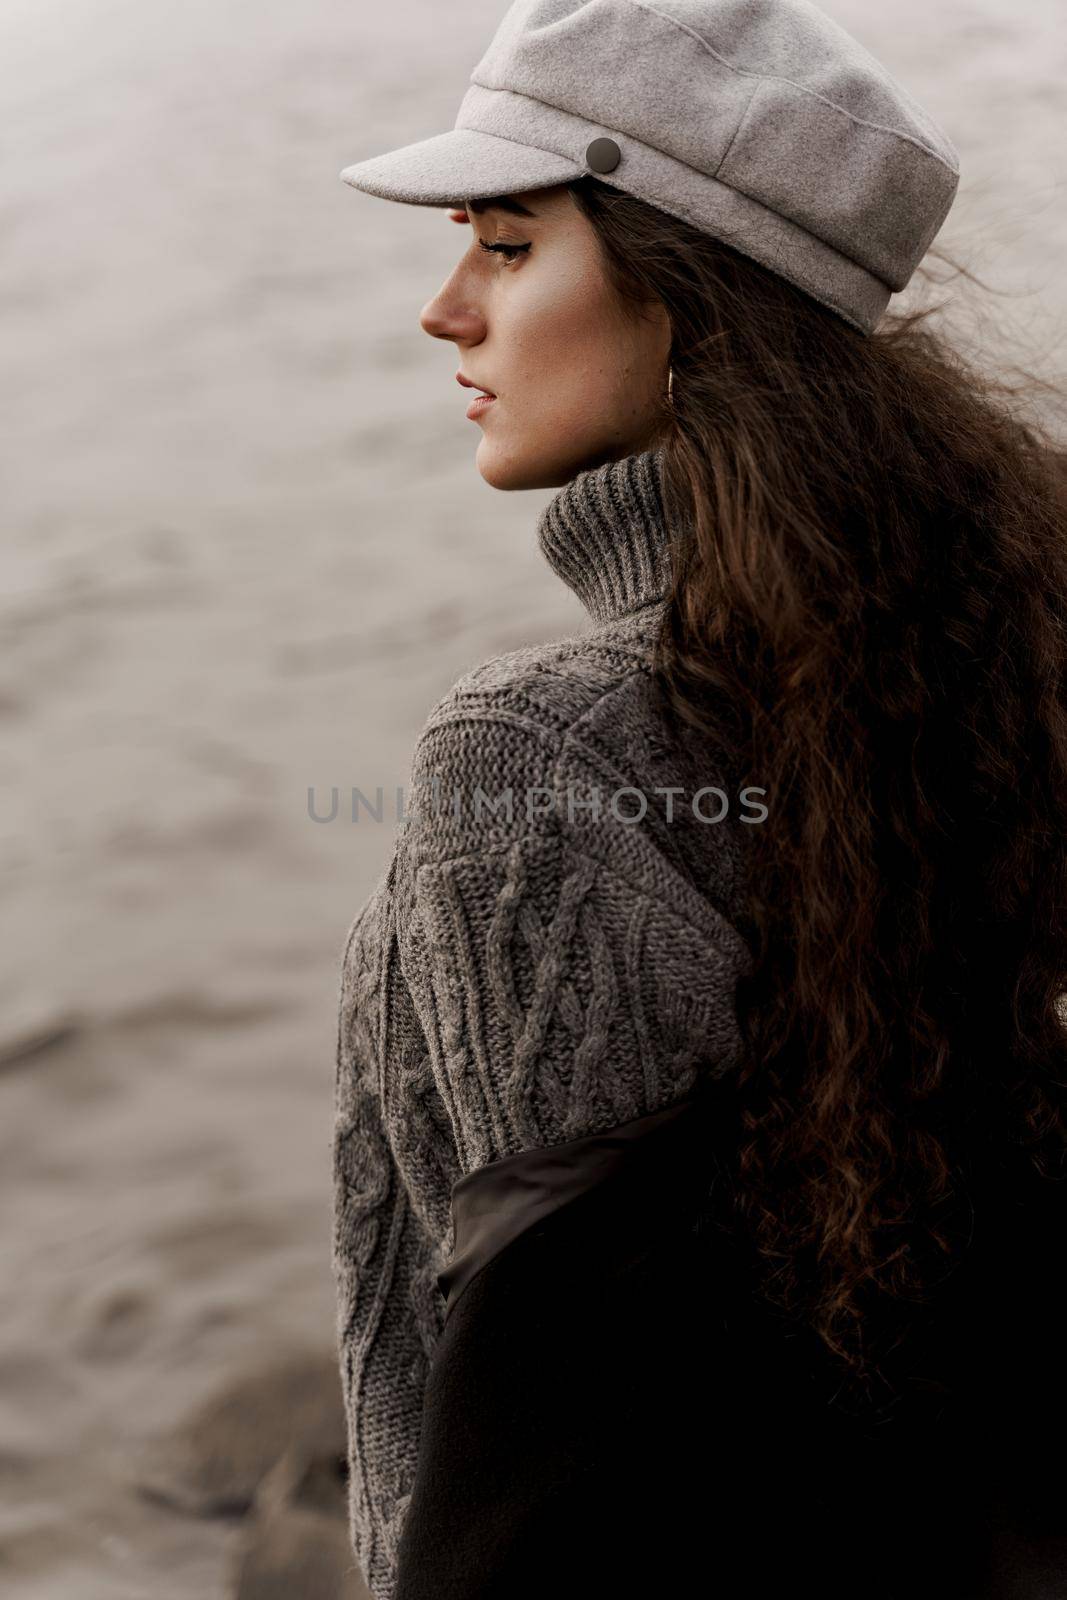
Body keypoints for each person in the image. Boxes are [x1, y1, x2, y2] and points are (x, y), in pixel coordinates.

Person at [331, 3, 1067, 1598]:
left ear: (693, 294)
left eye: (510, 249)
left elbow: (562, 1479)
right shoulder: (1000, 658)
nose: (443, 313)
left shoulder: (541, 756)